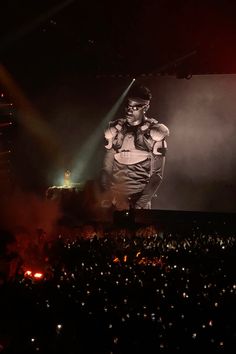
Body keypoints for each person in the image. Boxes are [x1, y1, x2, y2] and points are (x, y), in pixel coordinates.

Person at [100, 84, 169, 210]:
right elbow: (106, 168)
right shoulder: (114, 130)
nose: (129, 110)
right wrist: (108, 195)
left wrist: (138, 206)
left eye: (135, 107)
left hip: (139, 203)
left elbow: (157, 176)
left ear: (146, 107)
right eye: (128, 106)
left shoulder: (155, 134)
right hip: (115, 202)